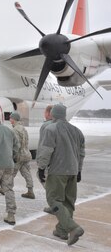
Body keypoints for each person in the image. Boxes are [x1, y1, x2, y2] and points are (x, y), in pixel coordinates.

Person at [37, 104, 85, 246]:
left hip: (58, 170)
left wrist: (41, 168)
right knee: (68, 202)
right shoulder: (77, 131)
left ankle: (73, 228)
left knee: (54, 200)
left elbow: (46, 150)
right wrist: (79, 170)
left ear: (52, 114)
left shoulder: (50, 129)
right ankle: (61, 231)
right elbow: (81, 153)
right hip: (73, 170)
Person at [10, 111, 35, 199]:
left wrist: (13, 156)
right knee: (27, 173)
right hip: (26, 154)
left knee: (11, 173)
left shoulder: (15, 130)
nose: (10, 120)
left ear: (14, 119)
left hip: (19, 156)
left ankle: (6, 189)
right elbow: (27, 141)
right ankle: (30, 191)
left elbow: (16, 144)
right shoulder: (23, 129)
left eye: (11, 118)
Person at [40, 105, 54, 214]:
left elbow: (44, 147)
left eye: (45, 112)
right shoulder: (60, 125)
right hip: (59, 161)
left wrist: (41, 165)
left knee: (47, 182)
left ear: (48, 113)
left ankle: (54, 205)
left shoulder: (46, 126)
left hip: (49, 162)